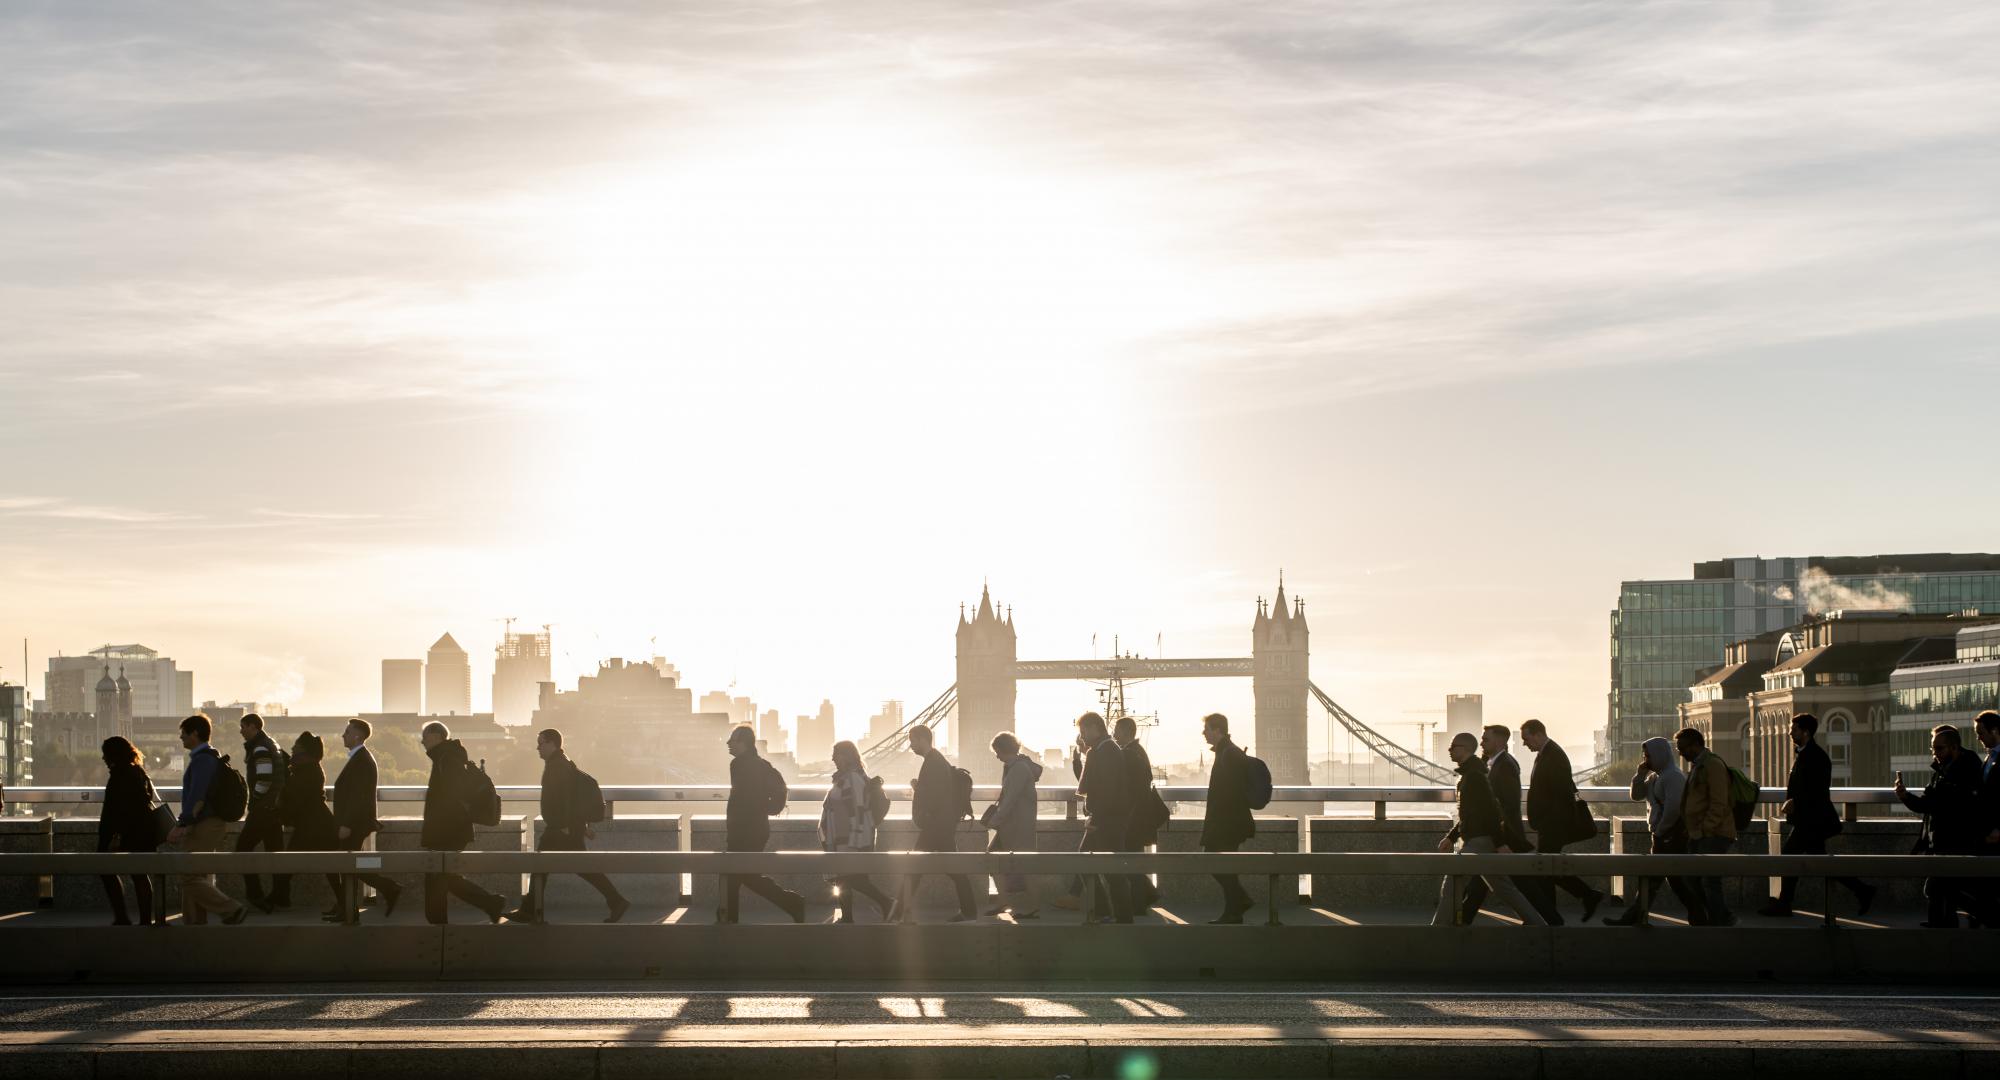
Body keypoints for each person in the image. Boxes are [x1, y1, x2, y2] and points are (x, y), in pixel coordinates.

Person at [506, 729, 629, 924]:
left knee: (541, 866)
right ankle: (616, 901)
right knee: (577, 867)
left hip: (560, 828)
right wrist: (582, 826)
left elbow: (564, 799)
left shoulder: (557, 766)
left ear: (552, 743)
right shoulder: (563, 762)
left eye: (541, 743)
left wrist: (564, 825)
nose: (537, 747)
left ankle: (530, 911)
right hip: (566, 826)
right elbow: (574, 797)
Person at [1760, 713, 1875, 918]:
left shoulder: (1816, 756)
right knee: (1821, 861)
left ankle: (1784, 904)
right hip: (1807, 820)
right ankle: (1862, 890)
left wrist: (1796, 802)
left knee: (1788, 857)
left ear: (1806, 732)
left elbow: (1818, 790)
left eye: (1794, 729)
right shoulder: (1805, 754)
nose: (1790, 732)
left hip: (1812, 821)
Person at [1432, 732, 1546, 927]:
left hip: (1479, 840)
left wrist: (1500, 843)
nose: (1450, 751)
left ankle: (1436, 931)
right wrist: (1451, 837)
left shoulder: (1475, 777)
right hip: (1479, 839)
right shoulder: (1471, 774)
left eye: (1453, 747)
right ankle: (1537, 924)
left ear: (1465, 749)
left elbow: (1492, 812)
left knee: (1451, 882)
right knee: (1503, 887)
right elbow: (1470, 813)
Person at [1603, 736, 1707, 926]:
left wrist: (1660, 831)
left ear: (1659, 755)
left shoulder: (1673, 777)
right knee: (1669, 880)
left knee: (1658, 878)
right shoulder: (1655, 776)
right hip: (1662, 835)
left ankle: (1634, 917)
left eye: (1649, 756)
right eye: (1645, 756)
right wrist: (1639, 775)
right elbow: (1636, 796)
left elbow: (1674, 809)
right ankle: (1699, 916)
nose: (1646, 760)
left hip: (1669, 836)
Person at [1896, 723, 1989, 927]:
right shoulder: (1942, 769)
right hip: (1941, 838)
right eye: (1933, 748)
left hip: (1958, 839)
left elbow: (1935, 802)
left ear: (1954, 747)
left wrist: (1909, 798)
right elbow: (1929, 801)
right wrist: (1905, 797)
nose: (1935, 753)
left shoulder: (1966, 770)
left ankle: (1983, 916)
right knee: (1941, 885)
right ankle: (1944, 921)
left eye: (1939, 748)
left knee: (1941, 886)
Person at [164, 714, 250, 925]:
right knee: (197, 875)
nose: (181, 737)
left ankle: (231, 908)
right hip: (207, 823)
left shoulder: (202, 761)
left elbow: (196, 796)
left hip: (204, 824)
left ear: (195, 733)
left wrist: (181, 824)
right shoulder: (209, 757)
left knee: (188, 875)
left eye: (183, 733)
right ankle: (194, 925)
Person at [890, 724, 981, 922]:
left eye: (913, 741)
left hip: (936, 826)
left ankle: (898, 911)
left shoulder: (934, 762)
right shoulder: (935, 760)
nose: (911, 745)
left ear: (923, 739)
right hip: (941, 824)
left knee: (915, 867)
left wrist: (919, 792)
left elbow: (936, 794)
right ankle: (969, 911)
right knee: (949, 869)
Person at [419, 721, 506, 925]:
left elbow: (454, 794)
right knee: (442, 876)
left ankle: (438, 924)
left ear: (436, 736)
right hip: (450, 828)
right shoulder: (447, 756)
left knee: (438, 875)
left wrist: (442, 822)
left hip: (448, 829)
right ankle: (488, 903)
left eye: (425, 736)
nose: (422, 741)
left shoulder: (447, 758)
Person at [1519, 719, 1605, 924]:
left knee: (1546, 868)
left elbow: (1559, 793)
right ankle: (1555, 913)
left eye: (1526, 738)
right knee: (1547, 869)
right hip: (1550, 823)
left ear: (1538, 734)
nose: (1524, 743)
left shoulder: (1553, 755)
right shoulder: (1548, 753)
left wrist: (1547, 822)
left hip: (1553, 824)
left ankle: (1572, 903)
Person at [721, 724, 806, 923]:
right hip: (753, 828)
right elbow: (776, 790)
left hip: (746, 830)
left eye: (733, 740)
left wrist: (762, 811)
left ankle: (729, 919)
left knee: (737, 874)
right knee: (741, 874)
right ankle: (728, 917)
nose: (728, 743)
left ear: (744, 743)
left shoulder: (743, 765)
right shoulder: (758, 764)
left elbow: (745, 798)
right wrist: (767, 809)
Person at [326, 718, 401, 922]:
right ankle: (347, 908)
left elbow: (358, 797)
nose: (343, 735)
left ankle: (383, 891)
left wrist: (347, 824)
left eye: (347, 732)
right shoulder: (360, 758)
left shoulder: (361, 760)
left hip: (354, 824)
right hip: (355, 823)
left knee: (349, 865)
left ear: (357, 735)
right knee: (349, 864)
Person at [1459, 724, 1529, 924]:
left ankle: (1548, 922)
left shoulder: (1506, 765)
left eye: (1485, 739)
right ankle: (1461, 919)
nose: (1481, 742)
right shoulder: (1489, 763)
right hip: (1495, 836)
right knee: (1483, 883)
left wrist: (1500, 840)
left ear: (1500, 741)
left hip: (1504, 836)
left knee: (1522, 886)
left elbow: (1507, 805)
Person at [819, 739, 894, 924]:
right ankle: (850, 916)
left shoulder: (852, 779)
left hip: (850, 838)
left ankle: (887, 903)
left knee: (850, 879)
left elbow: (857, 810)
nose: (832, 758)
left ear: (845, 756)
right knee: (846, 879)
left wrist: (855, 841)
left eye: (835, 754)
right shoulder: (847, 777)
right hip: (843, 838)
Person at [1074, 711, 1134, 924]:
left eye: (1083, 731)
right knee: (1106, 866)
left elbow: (1107, 789)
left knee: (1105, 866)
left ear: (1094, 727)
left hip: (1106, 820)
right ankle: (1111, 913)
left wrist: (1096, 818)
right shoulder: (1103, 749)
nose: (1082, 736)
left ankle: (1111, 913)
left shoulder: (1105, 751)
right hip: (1106, 817)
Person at [96, 736, 163, 926]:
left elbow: (118, 809)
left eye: (105, 754)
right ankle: (144, 920)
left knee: (106, 870)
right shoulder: (138, 772)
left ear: (113, 755)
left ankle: (122, 916)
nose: (103, 758)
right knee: (140, 875)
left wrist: (115, 835)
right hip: (142, 834)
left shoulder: (120, 774)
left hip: (124, 834)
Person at [1675, 726, 1738, 927]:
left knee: (1709, 880)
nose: (1681, 753)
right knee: (1692, 878)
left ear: (1696, 744)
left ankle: (1720, 920)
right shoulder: (1698, 765)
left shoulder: (1712, 765)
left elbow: (1719, 803)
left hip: (1714, 833)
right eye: (1678, 749)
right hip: (1698, 833)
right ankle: (1721, 916)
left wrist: (1705, 829)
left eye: (1683, 748)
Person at [1199, 712, 1256, 923]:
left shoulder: (1229, 754)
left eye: (1206, 729)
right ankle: (1234, 909)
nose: (1203, 733)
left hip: (1227, 823)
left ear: (1217, 730)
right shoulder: (1227, 752)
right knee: (1223, 865)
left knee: (1217, 863)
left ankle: (1239, 903)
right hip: (1228, 822)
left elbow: (1233, 791)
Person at [983, 731, 1043, 920]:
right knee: (993, 858)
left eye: (997, 751)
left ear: (1001, 749)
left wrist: (995, 820)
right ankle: (1003, 901)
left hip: (1017, 825)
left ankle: (1032, 906)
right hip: (1012, 825)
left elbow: (1010, 800)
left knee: (1024, 866)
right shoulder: (1015, 766)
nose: (996, 755)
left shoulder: (1018, 769)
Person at [234, 713, 289, 913]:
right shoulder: (271, 743)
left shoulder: (259, 747)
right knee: (275, 854)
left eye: (243, 727)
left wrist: (254, 801)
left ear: (253, 727)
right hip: (274, 809)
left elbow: (264, 779)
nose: (241, 731)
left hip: (263, 809)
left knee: (241, 850)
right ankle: (282, 896)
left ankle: (255, 895)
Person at [278, 730, 338, 912]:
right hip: (315, 823)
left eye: (296, 744)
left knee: (290, 862)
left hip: (314, 825)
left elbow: (295, 793)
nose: (293, 747)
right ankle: (279, 896)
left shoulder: (307, 770)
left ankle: (279, 896)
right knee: (331, 868)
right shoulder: (308, 767)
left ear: (303, 750)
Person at [1114, 716, 1163, 912]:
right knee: (1132, 858)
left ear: (1126, 731)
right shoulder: (1139, 751)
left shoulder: (1128, 754)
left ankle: (1141, 901)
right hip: (1140, 815)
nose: (1113, 734)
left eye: (1116, 730)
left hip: (1132, 817)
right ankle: (1145, 896)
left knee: (1128, 859)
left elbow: (1124, 787)